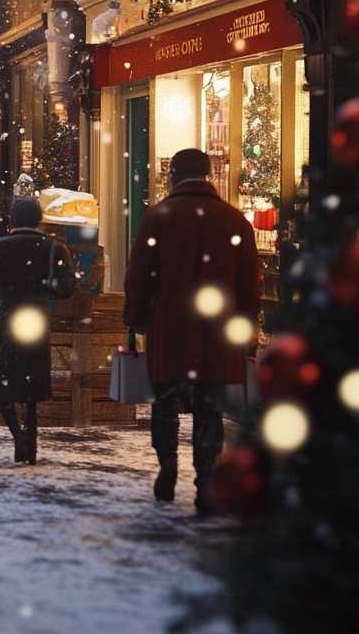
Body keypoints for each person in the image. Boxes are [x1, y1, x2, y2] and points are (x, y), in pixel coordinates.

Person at [124, 148, 259, 514]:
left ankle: (168, 462)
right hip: (217, 336)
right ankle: (205, 483)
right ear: (210, 175)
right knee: (209, 411)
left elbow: (140, 276)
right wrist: (248, 331)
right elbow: (249, 286)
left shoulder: (157, 217)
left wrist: (136, 319)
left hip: (169, 330)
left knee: (165, 402)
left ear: (174, 177)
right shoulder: (235, 222)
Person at [0, 198, 77, 464]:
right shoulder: (54, 248)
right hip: (37, 323)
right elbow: (65, 288)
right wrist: (46, 285)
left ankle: (17, 433)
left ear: (13, 221)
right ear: (39, 219)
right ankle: (30, 433)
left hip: (6, 323)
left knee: (4, 383)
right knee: (33, 384)